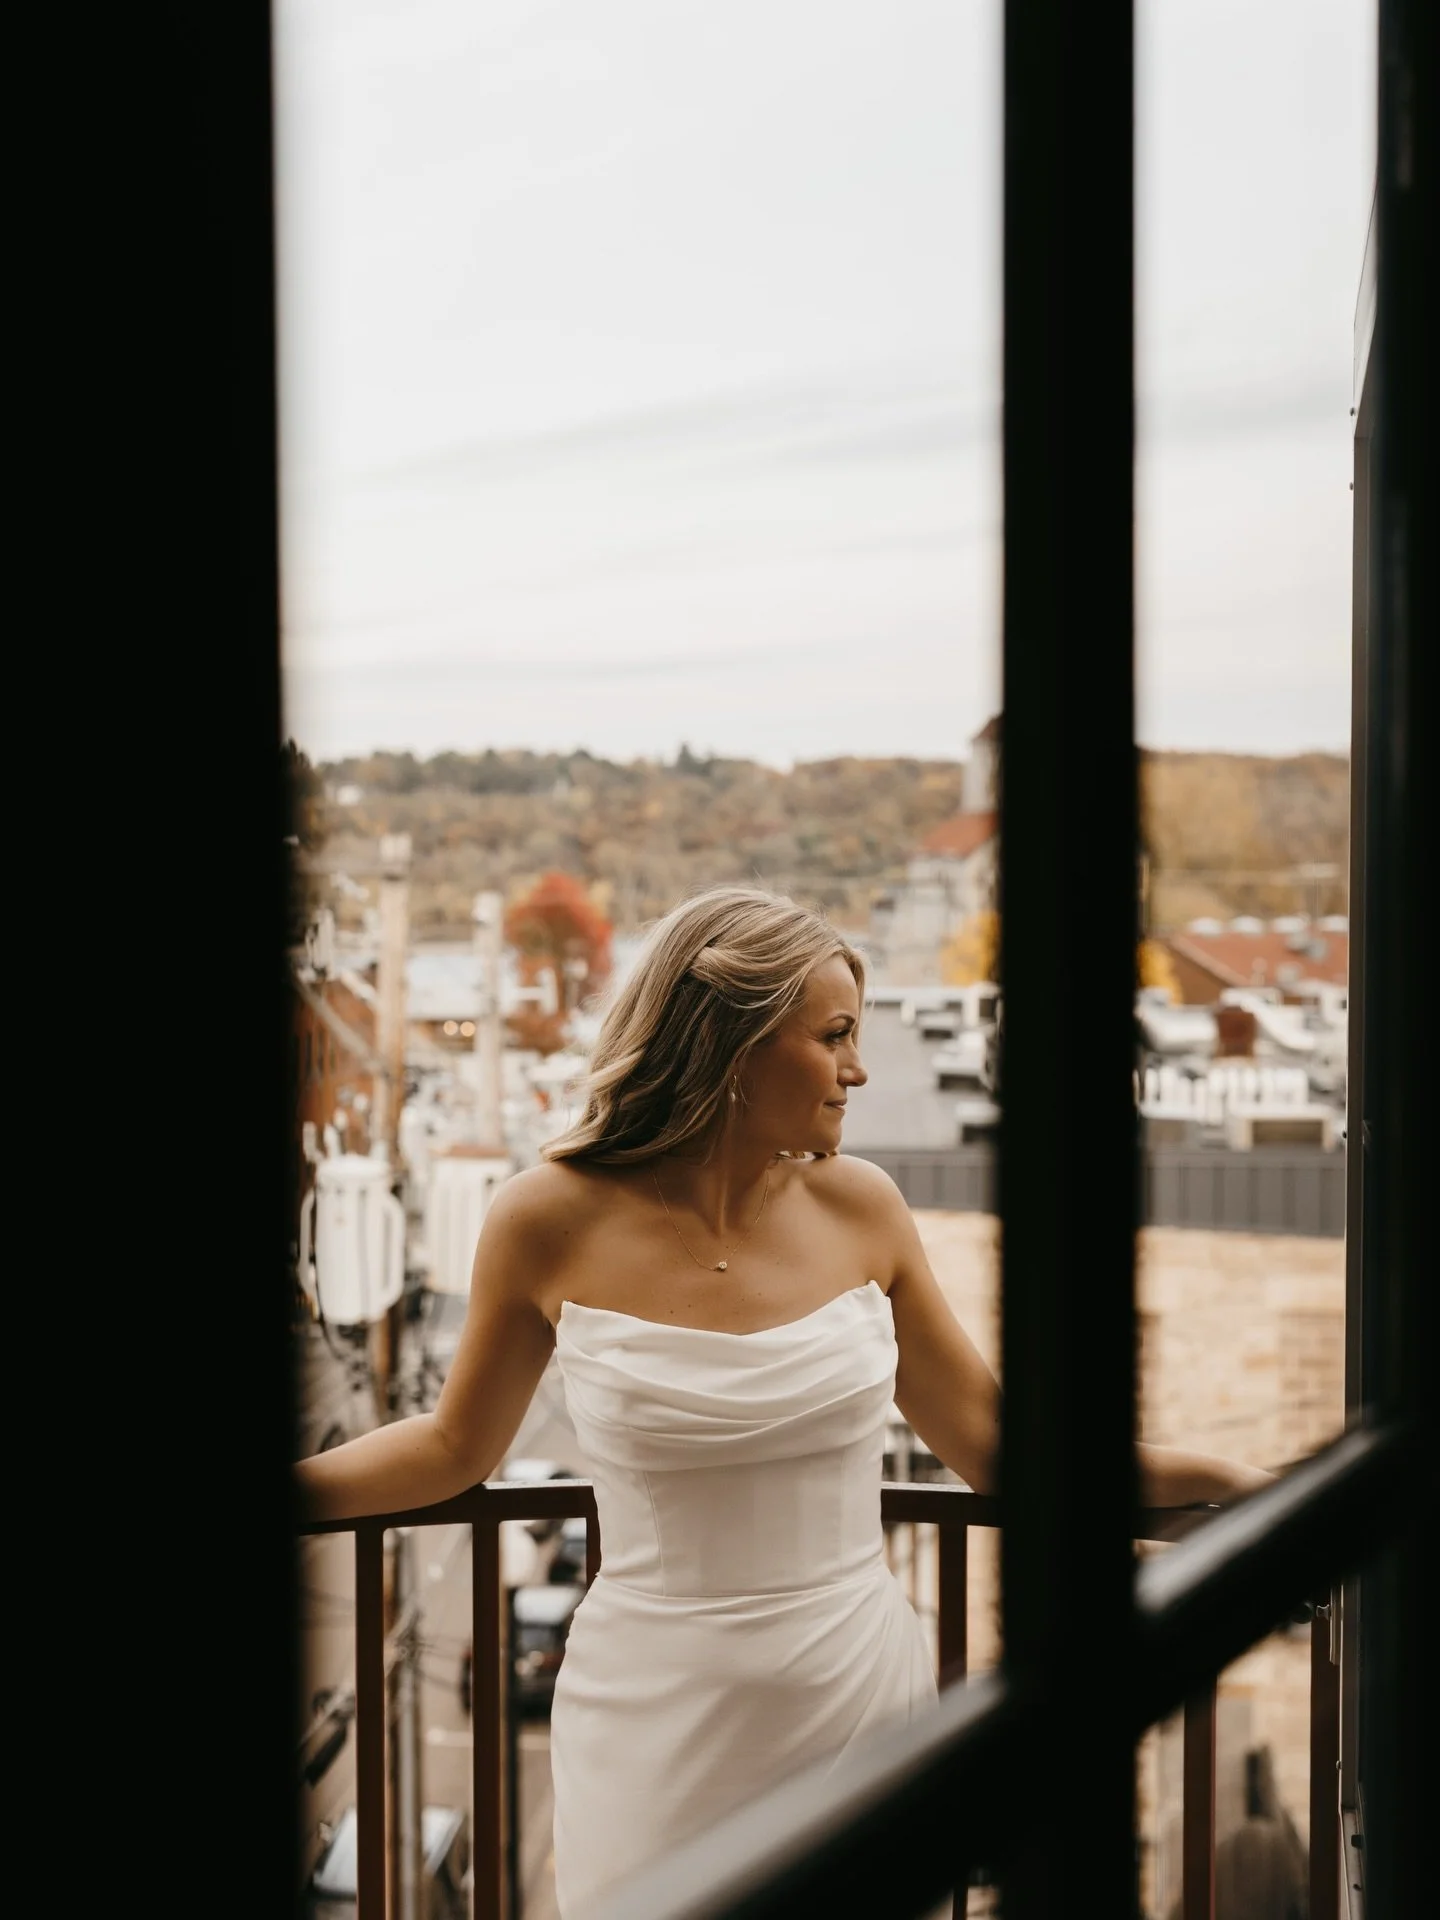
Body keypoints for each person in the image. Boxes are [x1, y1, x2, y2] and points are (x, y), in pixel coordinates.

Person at [297, 886, 1272, 1915]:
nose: (859, 1068)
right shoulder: (545, 1219)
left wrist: (1219, 1479)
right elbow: (455, 1446)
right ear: (733, 1043)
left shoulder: (865, 1208)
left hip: (858, 1704)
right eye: (836, 1036)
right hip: (652, 1721)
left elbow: (1002, 1453)